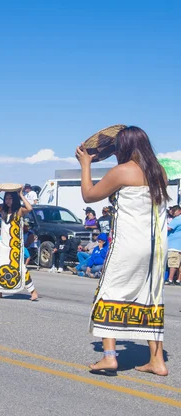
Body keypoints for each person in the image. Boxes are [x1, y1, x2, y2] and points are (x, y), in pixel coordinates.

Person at [76, 126, 169, 376]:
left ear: (124, 148)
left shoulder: (122, 171)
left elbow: (88, 195)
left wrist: (86, 164)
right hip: (156, 247)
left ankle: (109, 357)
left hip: (129, 244)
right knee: (151, 298)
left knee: (109, 291)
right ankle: (157, 361)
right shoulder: (159, 172)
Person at [0, 188, 39, 301]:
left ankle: (33, 291)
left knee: (21, 267)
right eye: (6, 198)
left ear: (14, 199)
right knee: (1, 267)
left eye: (10, 198)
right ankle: (0, 292)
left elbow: (29, 208)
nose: (8, 200)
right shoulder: (2, 209)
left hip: (15, 244)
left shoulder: (19, 210)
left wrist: (21, 195)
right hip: (4, 244)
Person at [166, 205, 181, 285]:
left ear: (179, 211)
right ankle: (178, 280)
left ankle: (170, 279)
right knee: (179, 264)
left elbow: (168, 228)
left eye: (174, 211)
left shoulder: (177, 219)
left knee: (173, 263)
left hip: (174, 246)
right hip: (179, 245)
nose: (172, 213)